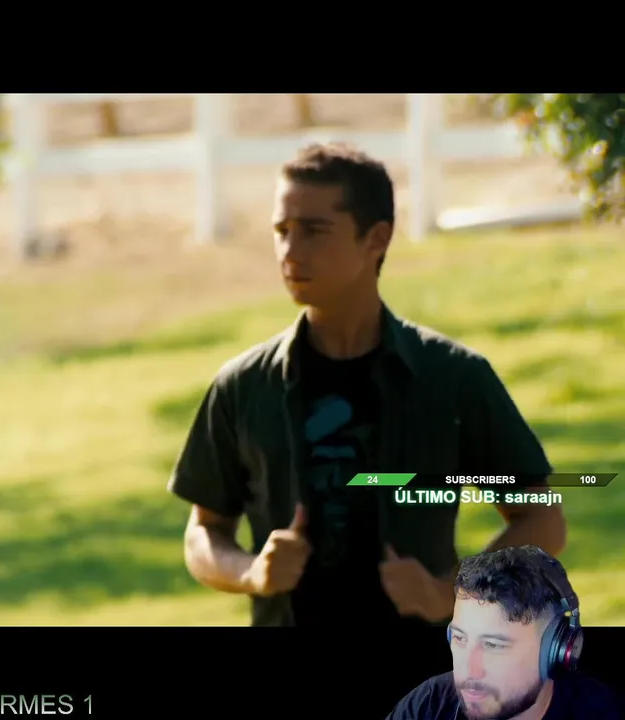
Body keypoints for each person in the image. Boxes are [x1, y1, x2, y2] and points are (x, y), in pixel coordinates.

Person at [168, 143, 567, 627]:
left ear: (376, 238)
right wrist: (251, 571)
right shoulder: (243, 386)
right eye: (282, 231)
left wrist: (451, 594)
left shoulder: (453, 377)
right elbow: (203, 533)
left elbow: (542, 519)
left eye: (314, 230)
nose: (290, 251)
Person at [387, 545, 621, 719]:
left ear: (556, 652)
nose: (469, 671)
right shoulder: (428, 705)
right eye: (460, 638)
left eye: (493, 645)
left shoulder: (604, 713)